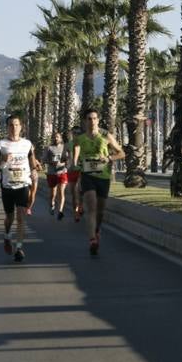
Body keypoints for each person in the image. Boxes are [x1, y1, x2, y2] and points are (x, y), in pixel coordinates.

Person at [72, 108, 125, 255]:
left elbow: (121, 153)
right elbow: (75, 148)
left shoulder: (106, 136)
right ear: (84, 121)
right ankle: (92, 240)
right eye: (89, 119)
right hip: (88, 175)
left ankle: (96, 230)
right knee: (92, 207)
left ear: (98, 120)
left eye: (94, 118)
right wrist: (75, 162)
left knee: (100, 211)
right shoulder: (80, 138)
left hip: (103, 177)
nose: (92, 121)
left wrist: (109, 158)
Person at [0, 115, 37, 262]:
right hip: (7, 186)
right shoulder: (0, 144)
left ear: (21, 127)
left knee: (20, 217)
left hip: (23, 184)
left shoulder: (27, 144)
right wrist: (2, 159)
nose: (14, 128)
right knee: (10, 218)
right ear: (7, 127)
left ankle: (19, 248)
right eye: (11, 125)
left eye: (16, 125)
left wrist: (34, 168)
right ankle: (7, 235)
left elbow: (31, 159)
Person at [43, 131, 70, 220]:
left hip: (62, 172)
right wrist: (52, 162)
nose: (56, 138)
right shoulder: (48, 148)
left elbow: (68, 159)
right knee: (52, 194)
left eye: (57, 137)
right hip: (52, 173)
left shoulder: (64, 148)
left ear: (61, 138)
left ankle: (60, 211)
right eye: (54, 137)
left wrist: (65, 162)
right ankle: (52, 205)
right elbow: (44, 160)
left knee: (61, 192)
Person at [67, 124, 84, 222]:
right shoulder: (69, 144)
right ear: (72, 134)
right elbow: (65, 156)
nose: (76, 135)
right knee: (73, 193)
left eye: (78, 133)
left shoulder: (84, 143)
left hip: (81, 170)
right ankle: (76, 213)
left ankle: (80, 206)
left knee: (79, 190)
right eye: (74, 133)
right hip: (71, 170)